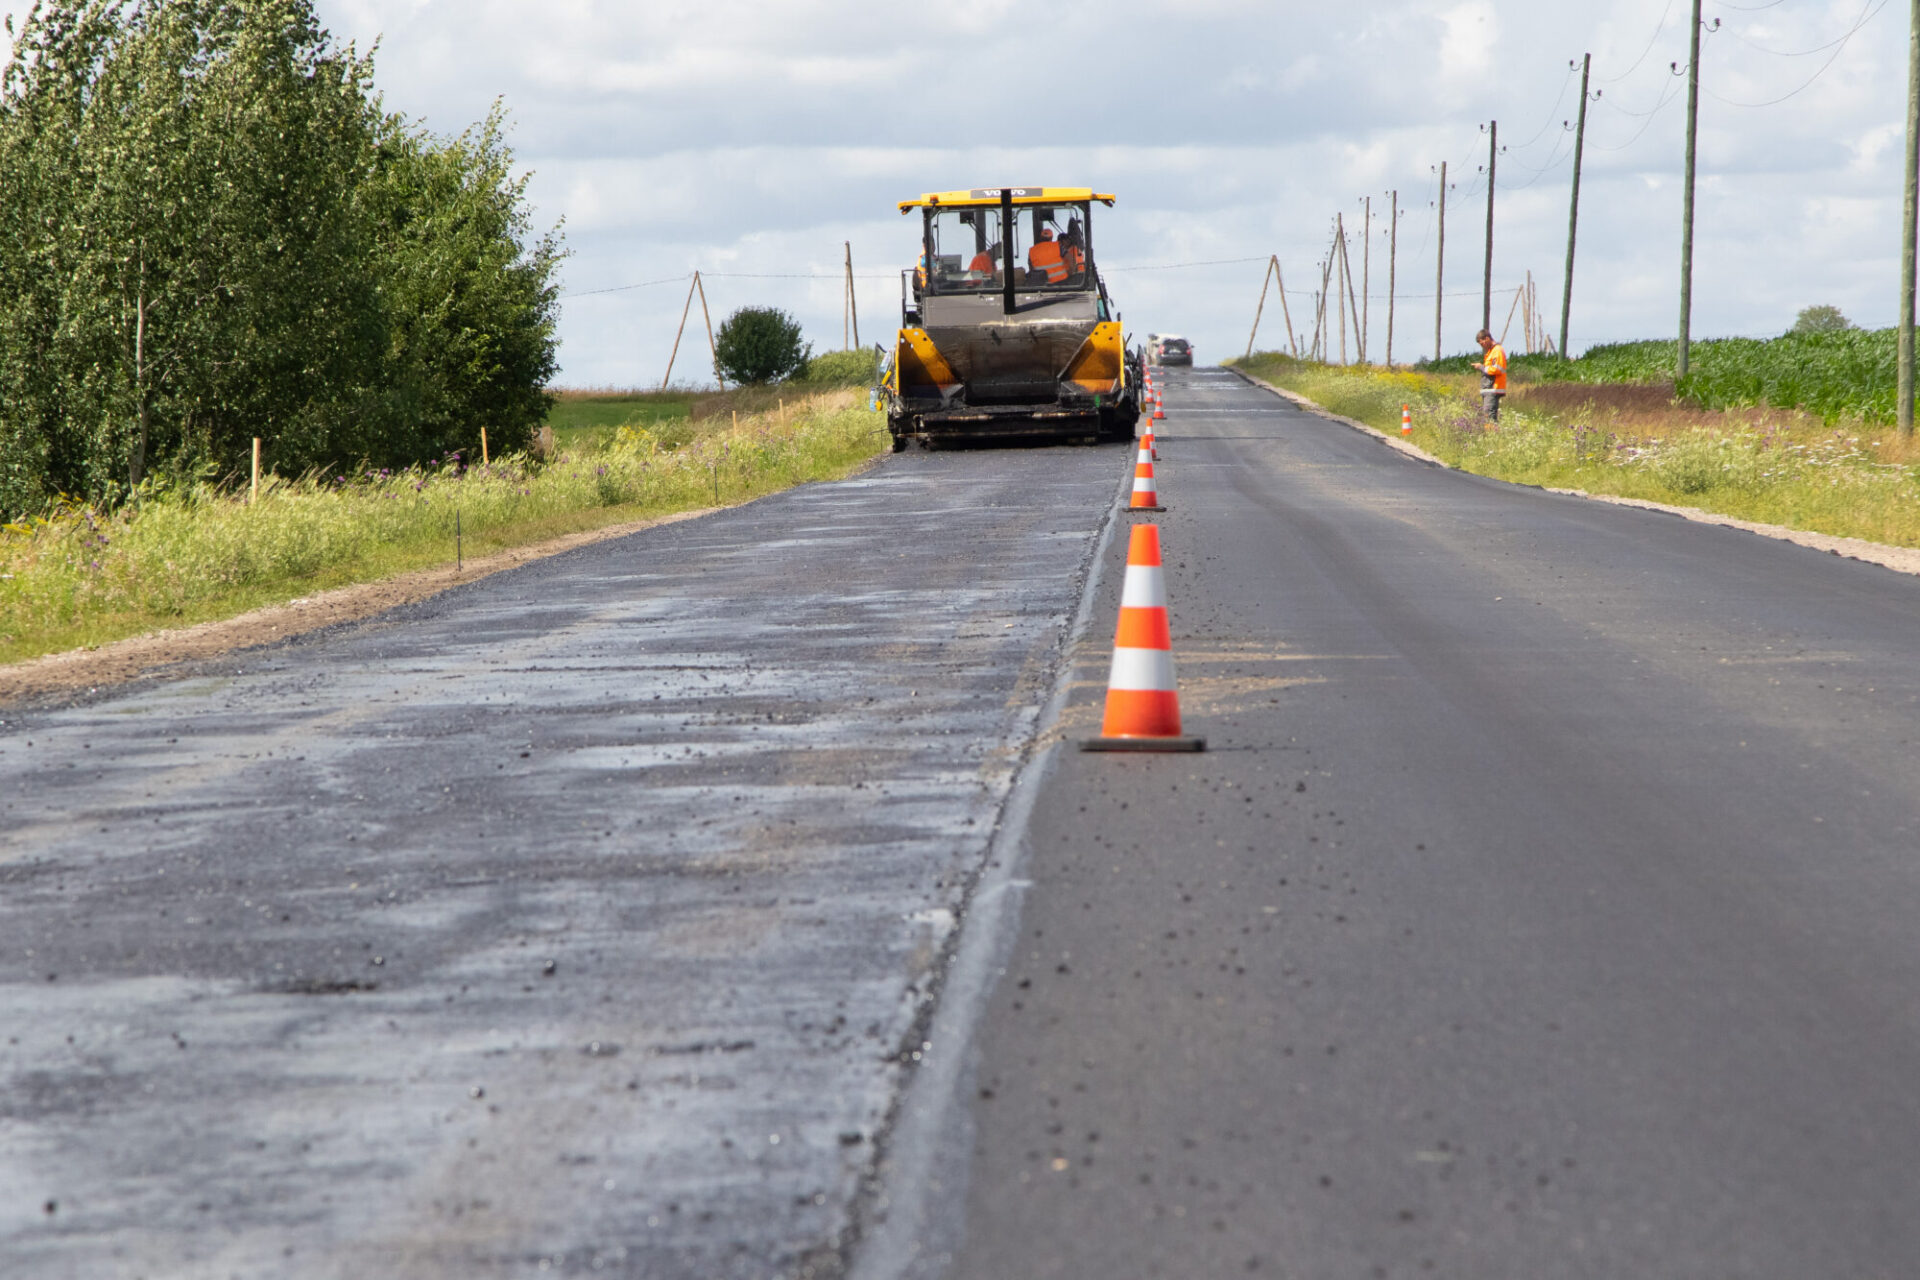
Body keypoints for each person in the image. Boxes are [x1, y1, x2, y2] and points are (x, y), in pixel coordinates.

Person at [1472, 328, 1507, 424]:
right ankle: (1491, 435)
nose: (1482, 346)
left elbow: (1497, 369)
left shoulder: (1497, 351)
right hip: (1489, 390)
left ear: (1487, 338)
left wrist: (1481, 367)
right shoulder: (1491, 352)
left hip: (1493, 389)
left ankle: (1493, 436)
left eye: (1482, 343)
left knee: (1490, 418)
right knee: (1487, 417)